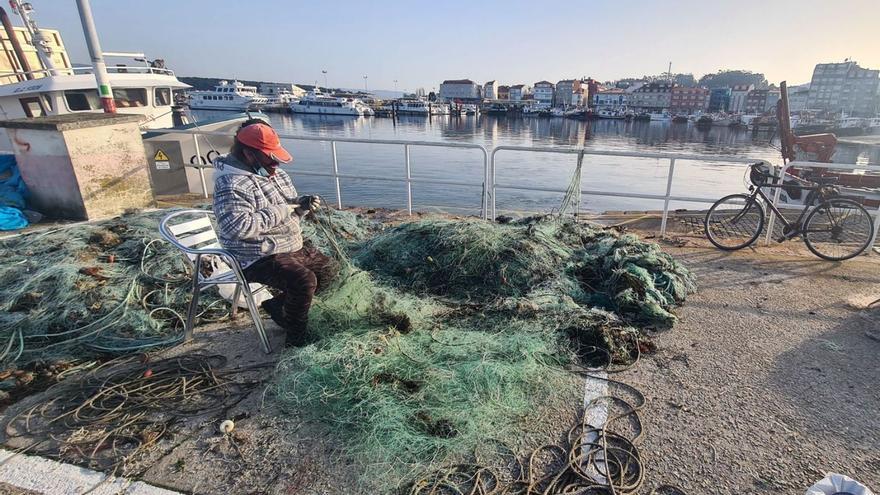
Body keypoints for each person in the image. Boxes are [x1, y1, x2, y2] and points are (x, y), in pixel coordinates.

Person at [212, 122, 337, 346]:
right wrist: (280, 210)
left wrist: (300, 207)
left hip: (289, 246)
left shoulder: (278, 175)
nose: (276, 165)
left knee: (330, 271)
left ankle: (279, 306)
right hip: (256, 255)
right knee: (304, 280)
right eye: (270, 159)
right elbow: (237, 227)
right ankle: (296, 337)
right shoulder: (231, 184)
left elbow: (290, 211)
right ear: (249, 155)